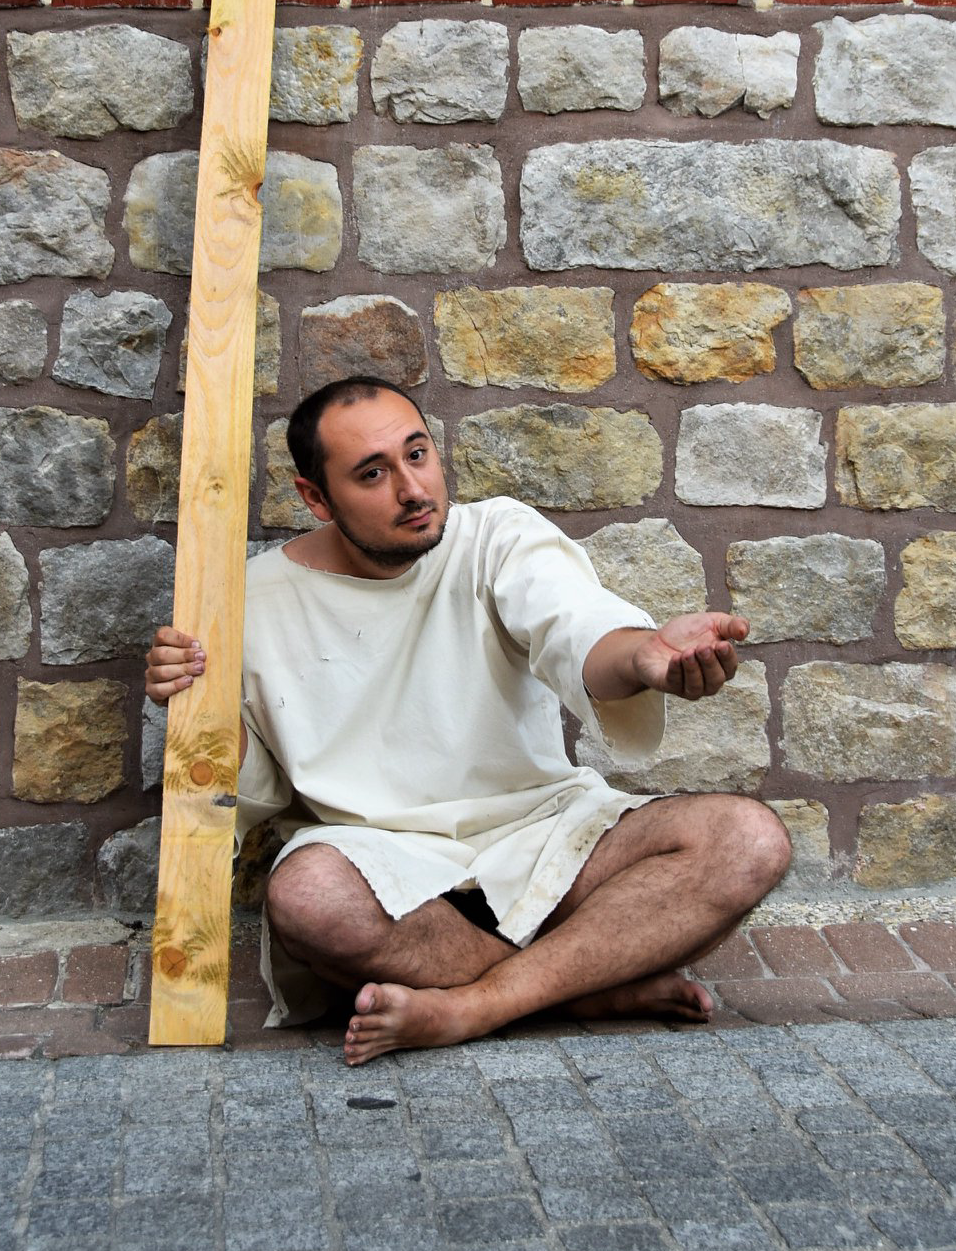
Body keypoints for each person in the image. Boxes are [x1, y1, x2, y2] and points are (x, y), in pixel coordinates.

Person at [146, 376, 791, 1066]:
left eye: (417, 455)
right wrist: (196, 704)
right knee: (306, 897)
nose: (412, 489)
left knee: (745, 839)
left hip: (540, 834)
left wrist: (643, 656)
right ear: (314, 498)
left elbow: (575, 628)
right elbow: (254, 792)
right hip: (383, 860)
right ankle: (576, 989)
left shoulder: (496, 537)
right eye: (372, 473)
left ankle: (479, 1004)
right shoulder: (251, 601)